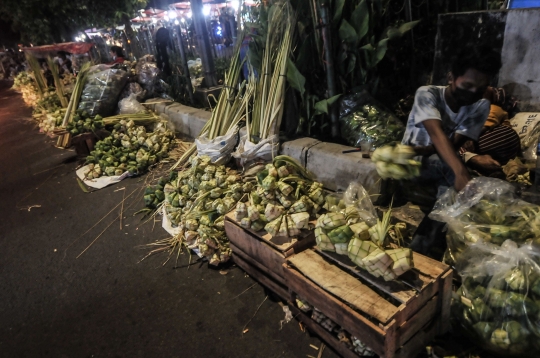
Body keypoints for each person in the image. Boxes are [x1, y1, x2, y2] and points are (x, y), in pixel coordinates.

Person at [403, 46, 502, 259]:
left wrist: (458, 170)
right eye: (467, 85)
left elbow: (453, 144)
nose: (473, 92)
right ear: (451, 77)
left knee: (448, 192)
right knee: (455, 176)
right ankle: (423, 250)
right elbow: (437, 134)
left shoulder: (481, 105)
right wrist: (461, 172)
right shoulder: (427, 94)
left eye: (481, 87)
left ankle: (419, 251)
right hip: (412, 164)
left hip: (441, 162)